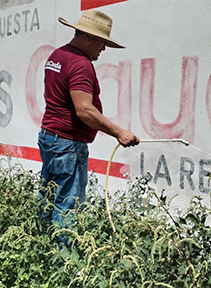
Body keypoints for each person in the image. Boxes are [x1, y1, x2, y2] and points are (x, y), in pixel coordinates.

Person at [38, 10, 140, 237]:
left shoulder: (57, 56)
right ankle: (63, 264)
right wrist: (119, 132)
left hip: (49, 137)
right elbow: (84, 110)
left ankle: (39, 248)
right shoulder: (81, 64)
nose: (103, 48)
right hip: (67, 144)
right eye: (102, 42)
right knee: (67, 207)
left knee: (48, 198)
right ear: (87, 37)